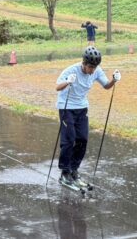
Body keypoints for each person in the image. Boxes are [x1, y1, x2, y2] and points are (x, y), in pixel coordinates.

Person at [55, 46, 121, 186]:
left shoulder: (96, 71)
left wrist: (114, 80)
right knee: (69, 140)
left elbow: (106, 86)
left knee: (82, 139)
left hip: (82, 107)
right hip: (66, 107)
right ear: (83, 63)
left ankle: (74, 170)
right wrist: (68, 82)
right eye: (90, 67)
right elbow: (57, 87)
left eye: (94, 67)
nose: (92, 70)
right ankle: (64, 173)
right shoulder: (71, 70)